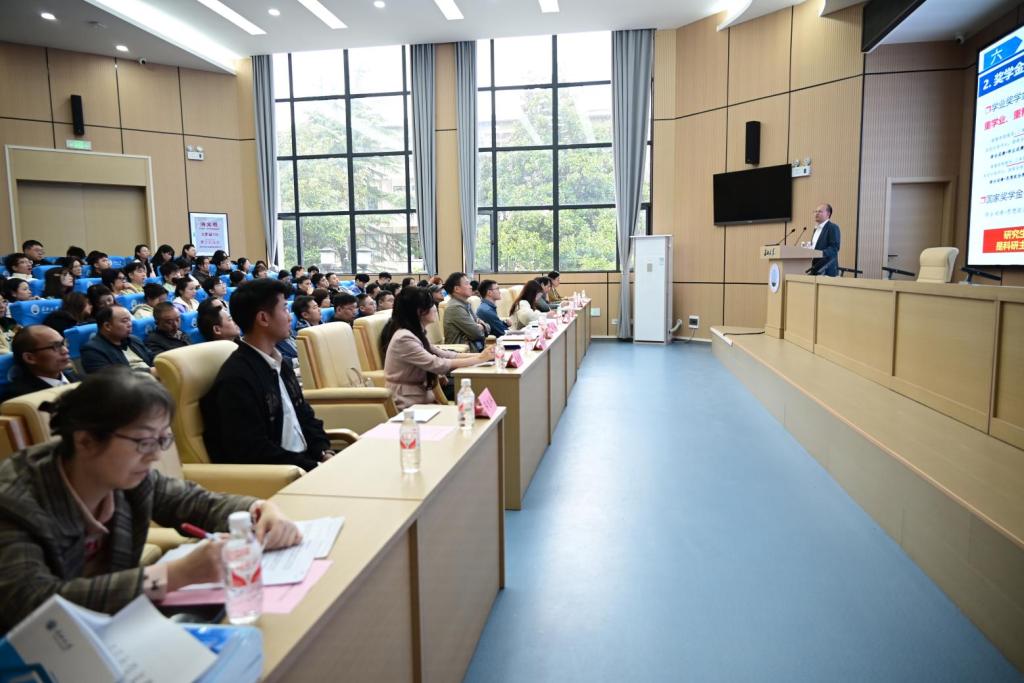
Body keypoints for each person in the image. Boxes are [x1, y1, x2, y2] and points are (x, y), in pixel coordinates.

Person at [0, 368, 302, 632]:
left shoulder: (129, 478)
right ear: (85, 440)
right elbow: (31, 604)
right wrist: (179, 574)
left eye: (162, 440)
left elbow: (197, 503)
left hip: (110, 631)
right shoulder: (15, 501)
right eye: (144, 441)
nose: (156, 455)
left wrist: (259, 510)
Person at [200, 279, 335, 471]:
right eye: (284, 309)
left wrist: (324, 451)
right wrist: (313, 466)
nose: (290, 318)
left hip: (308, 463)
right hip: (282, 475)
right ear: (263, 318)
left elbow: (305, 415)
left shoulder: (280, 363)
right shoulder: (237, 379)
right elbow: (254, 450)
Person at [381, 287, 493, 411]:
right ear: (419, 311)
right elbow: (437, 364)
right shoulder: (404, 338)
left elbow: (443, 354)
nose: (435, 308)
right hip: (407, 403)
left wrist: (482, 356)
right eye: (431, 305)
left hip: (422, 396)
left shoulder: (415, 332)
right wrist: (478, 359)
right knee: (474, 390)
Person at [81, 306, 155, 375]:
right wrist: (150, 372)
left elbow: (153, 358)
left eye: (130, 320)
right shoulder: (92, 350)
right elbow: (111, 378)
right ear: (107, 326)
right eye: (125, 321)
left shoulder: (134, 340)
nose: (130, 324)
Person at [7, 325, 75, 398]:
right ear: (30, 358)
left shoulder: (76, 378)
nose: (66, 350)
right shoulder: (21, 398)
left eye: (64, 343)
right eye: (56, 346)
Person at [442, 272, 488, 350]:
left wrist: (481, 326)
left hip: (475, 349)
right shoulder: (455, 307)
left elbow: (486, 327)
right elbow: (477, 333)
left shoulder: (466, 304)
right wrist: (482, 326)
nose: (471, 287)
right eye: (467, 284)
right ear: (457, 289)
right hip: (464, 352)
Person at [809, 203, 841, 277]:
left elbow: (834, 248)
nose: (816, 213)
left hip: (826, 270)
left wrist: (819, 253)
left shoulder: (833, 227)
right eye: (815, 211)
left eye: (820, 211)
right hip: (815, 268)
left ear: (828, 214)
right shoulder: (816, 229)